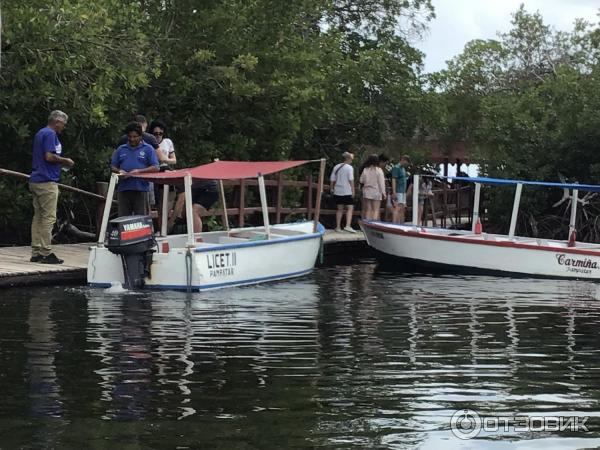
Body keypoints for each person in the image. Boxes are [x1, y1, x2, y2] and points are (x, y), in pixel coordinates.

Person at [29, 110, 75, 264]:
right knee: (49, 217)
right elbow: (48, 156)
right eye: (63, 124)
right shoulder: (49, 134)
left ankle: (36, 251)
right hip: (46, 181)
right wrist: (65, 161)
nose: (64, 127)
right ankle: (45, 252)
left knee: (38, 216)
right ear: (57, 122)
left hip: (35, 179)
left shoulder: (40, 133)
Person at [111, 122, 160, 216]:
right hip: (123, 189)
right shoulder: (121, 149)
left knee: (141, 220)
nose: (132, 139)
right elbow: (113, 166)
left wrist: (139, 171)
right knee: (123, 219)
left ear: (140, 136)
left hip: (141, 188)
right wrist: (119, 171)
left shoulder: (148, 148)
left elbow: (156, 167)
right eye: (130, 137)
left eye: (135, 136)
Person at [330, 151, 356, 233]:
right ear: (348, 159)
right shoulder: (349, 168)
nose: (351, 160)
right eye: (351, 159)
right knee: (350, 208)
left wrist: (331, 188)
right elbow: (351, 180)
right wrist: (353, 190)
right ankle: (347, 225)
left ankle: (338, 227)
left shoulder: (336, 167)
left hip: (337, 191)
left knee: (339, 209)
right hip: (347, 191)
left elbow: (332, 179)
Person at [359, 154, 386, 221]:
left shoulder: (365, 169)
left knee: (368, 209)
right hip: (376, 191)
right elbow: (381, 183)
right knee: (376, 210)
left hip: (367, 191)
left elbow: (361, 180)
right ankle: (374, 223)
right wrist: (383, 193)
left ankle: (367, 223)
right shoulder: (379, 170)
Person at [391, 154, 410, 223]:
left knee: (402, 208)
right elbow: (394, 179)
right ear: (403, 160)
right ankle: (394, 223)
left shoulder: (403, 169)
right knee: (397, 207)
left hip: (403, 191)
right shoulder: (396, 168)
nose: (407, 164)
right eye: (406, 162)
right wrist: (394, 191)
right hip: (398, 190)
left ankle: (401, 223)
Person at [377, 153, 393, 221]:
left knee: (387, 209)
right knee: (376, 208)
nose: (386, 165)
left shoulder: (382, 170)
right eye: (386, 163)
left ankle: (384, 221)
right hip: (378, 192)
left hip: (384, 193)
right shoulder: (377, 169)